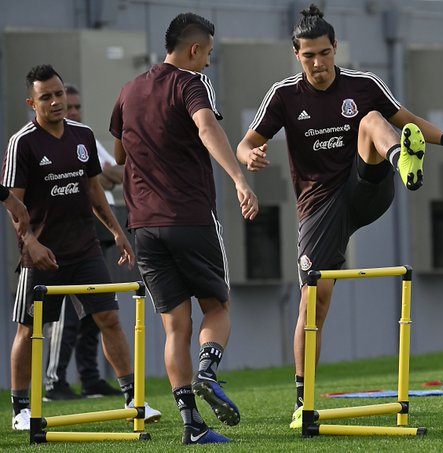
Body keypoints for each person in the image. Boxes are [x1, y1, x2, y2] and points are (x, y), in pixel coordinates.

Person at [236, 3, 443, 429]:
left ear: (336, 48)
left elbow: (409, 120)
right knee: (314, 304)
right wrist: (251, 156)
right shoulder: (284, 95)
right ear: (296, 55)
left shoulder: (363, 85)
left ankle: (403, 161)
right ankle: (303, 400)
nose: (318, 63)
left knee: (373, 119)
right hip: (318, 205)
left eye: (324, 53)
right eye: (308, 56)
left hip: (366, 186)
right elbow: (246, 142)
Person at [109, 12, 258, 445]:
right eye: (207, 53)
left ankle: (192, 426)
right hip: (189, 217)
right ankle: (208, 372)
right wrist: (238, 179)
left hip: (143, 225)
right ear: (194, 49)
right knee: (218, 307)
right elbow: (206, 126)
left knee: (175, 328)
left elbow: (119, 154)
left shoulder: (129, 90)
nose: (208, 61)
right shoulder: (192, 83)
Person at [2, 64, 161, 431]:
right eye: (46, 97)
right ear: (32, 103)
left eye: (59, 94)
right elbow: (15, 206)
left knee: (109, 319)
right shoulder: (22, 143)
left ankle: (133, 398)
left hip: (86, 249)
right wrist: (30, 243)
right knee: (29, 329)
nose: (56, 102)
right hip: (42, 255)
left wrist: (118, 232)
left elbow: (94, 191)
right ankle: (20, 409)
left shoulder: (83, 136)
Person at [43, 83, 123, 401]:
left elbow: (118, 173)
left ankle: (90, 379)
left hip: (99, 231)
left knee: (96, 310)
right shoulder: (43, 141)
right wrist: (99, 176)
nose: (72, 111)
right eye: (69, 105)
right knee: (66, 312)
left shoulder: (84, 136)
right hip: (68, 233)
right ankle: (55, 381)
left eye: (76, 106)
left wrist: (99, 176)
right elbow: (93, 179)